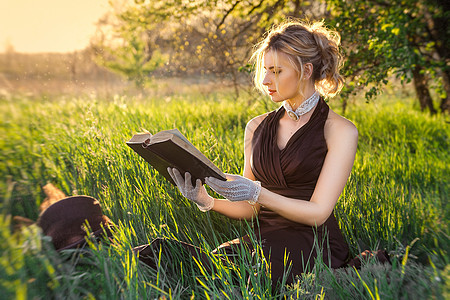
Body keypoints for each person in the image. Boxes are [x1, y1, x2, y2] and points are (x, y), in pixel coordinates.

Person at [140, 19, 358, 286]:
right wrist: (206, 200)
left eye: (276, 71)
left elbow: (318, 213)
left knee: (238, 276)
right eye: (265, 70)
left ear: (306, 70)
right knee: (185, 259)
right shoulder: (256, 126)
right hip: (262, 238)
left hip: (313, 242)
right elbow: (250, 209)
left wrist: (259, 192)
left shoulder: (340, 130)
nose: (266, 80)